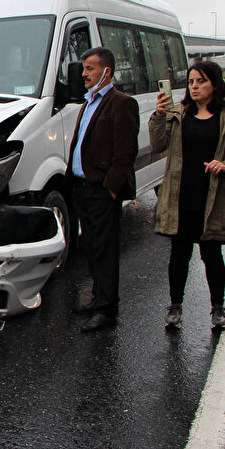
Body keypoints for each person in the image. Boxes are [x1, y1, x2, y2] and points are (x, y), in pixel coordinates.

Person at [149, 61, 225, 330]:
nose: (194, 86)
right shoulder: (178, 113)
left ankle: (218, 308)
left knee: (212, 254)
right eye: (191, 82)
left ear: (214, 85)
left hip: (212, 197)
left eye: (201, 81)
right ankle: (175, 307)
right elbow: (158, 144)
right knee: (179, 254)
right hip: (180, 196)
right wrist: (159, 115)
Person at [67, 47, 139, 332]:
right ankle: (98, 299)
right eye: (84, 68)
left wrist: (110, 189)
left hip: (101, 191)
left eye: (90, 68)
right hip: (82, 189)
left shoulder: (121, 103)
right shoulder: (88, 102)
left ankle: (107, 310)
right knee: (92, 248)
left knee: (106, 251)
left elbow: (125, 154)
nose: (84, 74)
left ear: (106, 71)